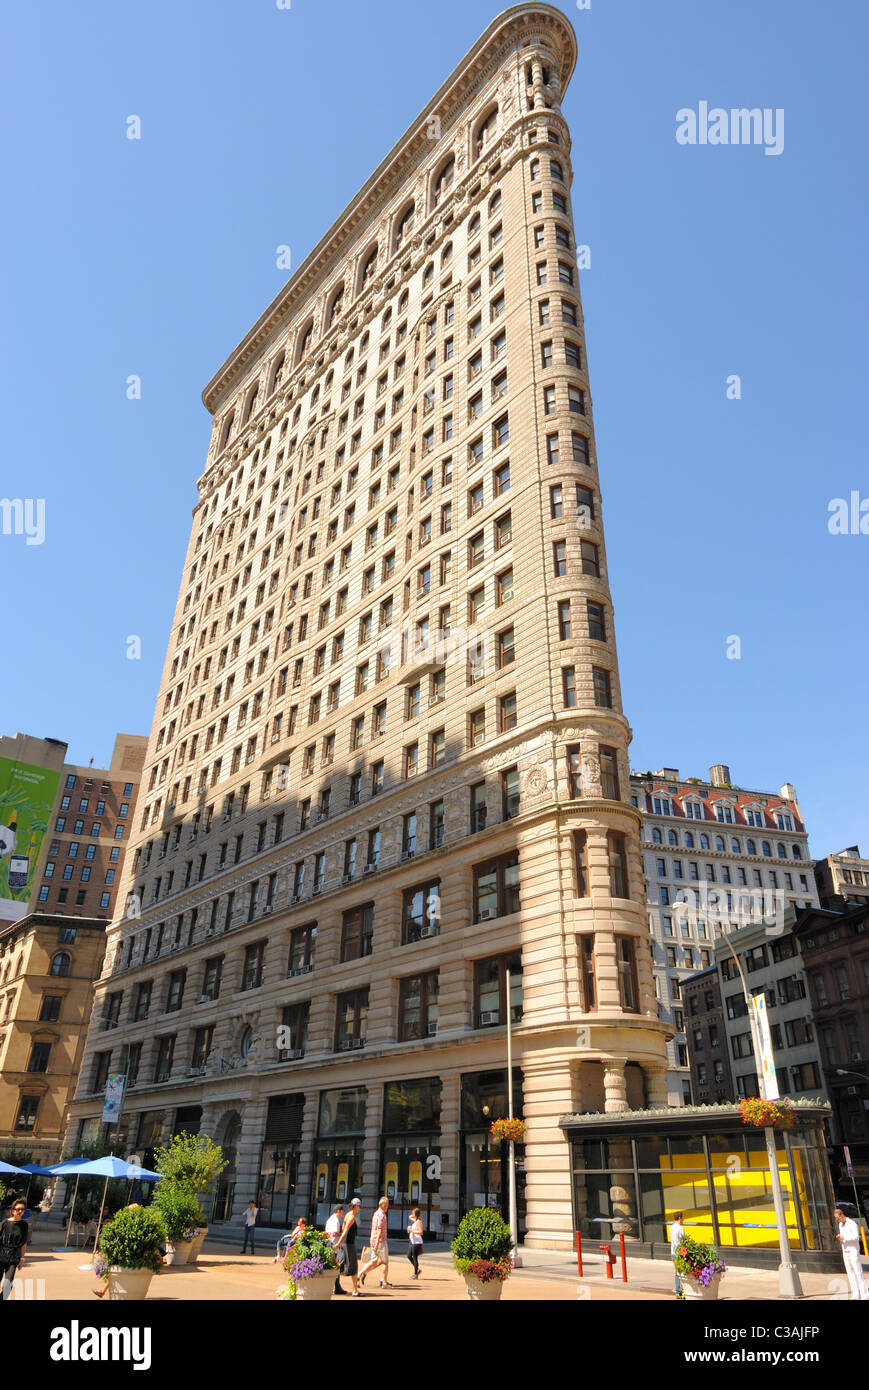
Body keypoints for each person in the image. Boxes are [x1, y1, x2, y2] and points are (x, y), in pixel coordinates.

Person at [835, 1206, 869, 1300]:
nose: (837, 1220)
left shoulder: (852, 1224)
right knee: (850, 1273)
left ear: (842, 1215)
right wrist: (841, 1237)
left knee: (858, 1272)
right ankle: (855, 1294)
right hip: (845, 1251)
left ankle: (865, 1295)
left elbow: (856, 1237)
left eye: (838, 1218)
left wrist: (844, 1238)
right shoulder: (841, 1225)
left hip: (853, 1251)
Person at [360, 1196, 392, 1288]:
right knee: (385, 1262)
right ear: (383, 1206)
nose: (388, 1207)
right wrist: (377, 1244)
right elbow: (379, 1230)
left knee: (376, 1261)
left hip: (374, 1240)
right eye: (387, 1205)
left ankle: (363, 1273)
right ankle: (384, 1282)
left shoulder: (375, 1213)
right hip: (380, 1241)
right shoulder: (381, 1215)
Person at [0, 1199, 28, 1301]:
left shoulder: (24, 1225)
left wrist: (22, 1259)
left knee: (8, 1285)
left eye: (22, 1209)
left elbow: (24, 1243)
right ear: (13, 1210)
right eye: (18, 1209)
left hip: (13, 1258)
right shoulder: (4, 1224)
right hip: (1, 1256)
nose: (20, 1211)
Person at [334, 1197, 361, 1296]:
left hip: (345, 1243)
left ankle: (337, 1285)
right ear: (356, 1206)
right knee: (353, 1267)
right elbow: (345, 1231)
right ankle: (355, 1290)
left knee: (341, 1265)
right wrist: (338, 1243)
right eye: (359, 1206)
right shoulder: (351, 1217)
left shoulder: (347, 1215)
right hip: (349, 1244)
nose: (359, 1208)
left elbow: (342, 1228)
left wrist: (340, 1243)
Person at [325, 1202, 346, 1296]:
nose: (342, 1214)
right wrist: (342, 1234)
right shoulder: (335, 1220)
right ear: (338, 1211)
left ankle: (337, 1287)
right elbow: (333, 1233)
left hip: (331, 1244)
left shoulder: (331, 1219)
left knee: (335, 1266)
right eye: (342, 1212)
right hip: (333, 1245)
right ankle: (336, 1287)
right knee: (336, 1265)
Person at [669, 1210, 686, 1298]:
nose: (683, 1220)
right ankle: (680, 1292)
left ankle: (678, 1292)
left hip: (673, 1252)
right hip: (679, 1253)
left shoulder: (671, 1228)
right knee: (681, 1273)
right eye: (682, 1218)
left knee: (676, 1272)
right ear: (679, 1218)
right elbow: (683, 1242)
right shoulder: (680, 1228)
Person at [407, 1207, 424, 1280]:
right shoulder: (415, 1220)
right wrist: (413, 1215)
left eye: (413, 1213)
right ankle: (417, 1269)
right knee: (409, 1256)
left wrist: (411, 1231)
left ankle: (415, 1274)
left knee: (415, 1258)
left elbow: (420, 1232)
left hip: (417, 1242)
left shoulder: (418, 1222)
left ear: (416, 1214)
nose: (411, 1214)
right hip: (413, 1242)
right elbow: (409, 1216)